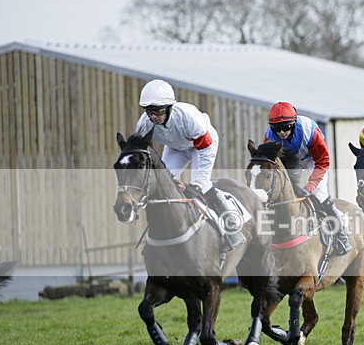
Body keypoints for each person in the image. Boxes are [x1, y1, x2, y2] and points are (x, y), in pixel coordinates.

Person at [135, 79, 245, 251]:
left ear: (169, 108)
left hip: (201, 146)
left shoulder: (188, 118)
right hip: (175, 147)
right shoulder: (144, 124)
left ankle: (231, 227)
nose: (153, 116)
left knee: (203, 186)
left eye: (158, 110)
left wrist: (198, 183)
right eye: (149, 111)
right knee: (164, 185)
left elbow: (205, 150)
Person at [264, 101, 352, 255]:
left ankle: (341, 235)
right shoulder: (269, 137)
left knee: (319, 194)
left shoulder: (309, 131)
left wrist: (311, 185)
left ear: (294, 123)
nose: (282, 133)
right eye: (277, 129)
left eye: (286, 127)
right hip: (291, 161)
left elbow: (323, 161)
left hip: (313, 158)